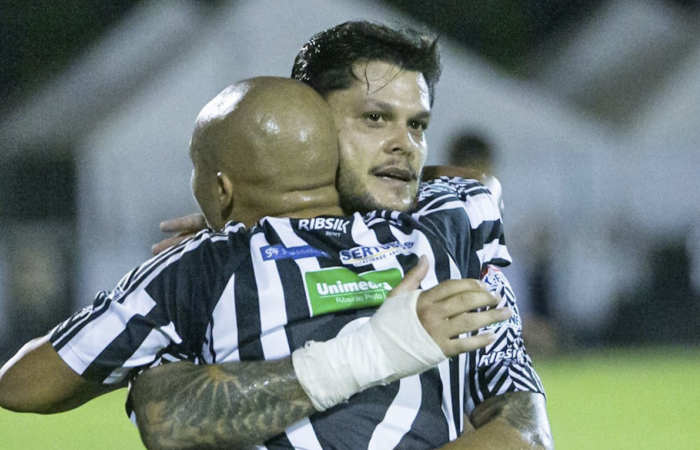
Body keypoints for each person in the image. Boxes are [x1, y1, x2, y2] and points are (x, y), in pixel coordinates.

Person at [0, 77, 521, 448]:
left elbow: (21, 386)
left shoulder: (199, 266)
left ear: (220, 187)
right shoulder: (439, 228)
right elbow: (477, 184)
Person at [138, 21, 551, 449]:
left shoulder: (456, 245)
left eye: (417, 125)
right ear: (309, 123)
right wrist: (253, 204)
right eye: (375, 118)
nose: (405, 144)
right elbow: (167, 421)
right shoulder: (223, 263)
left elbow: (527, 434)